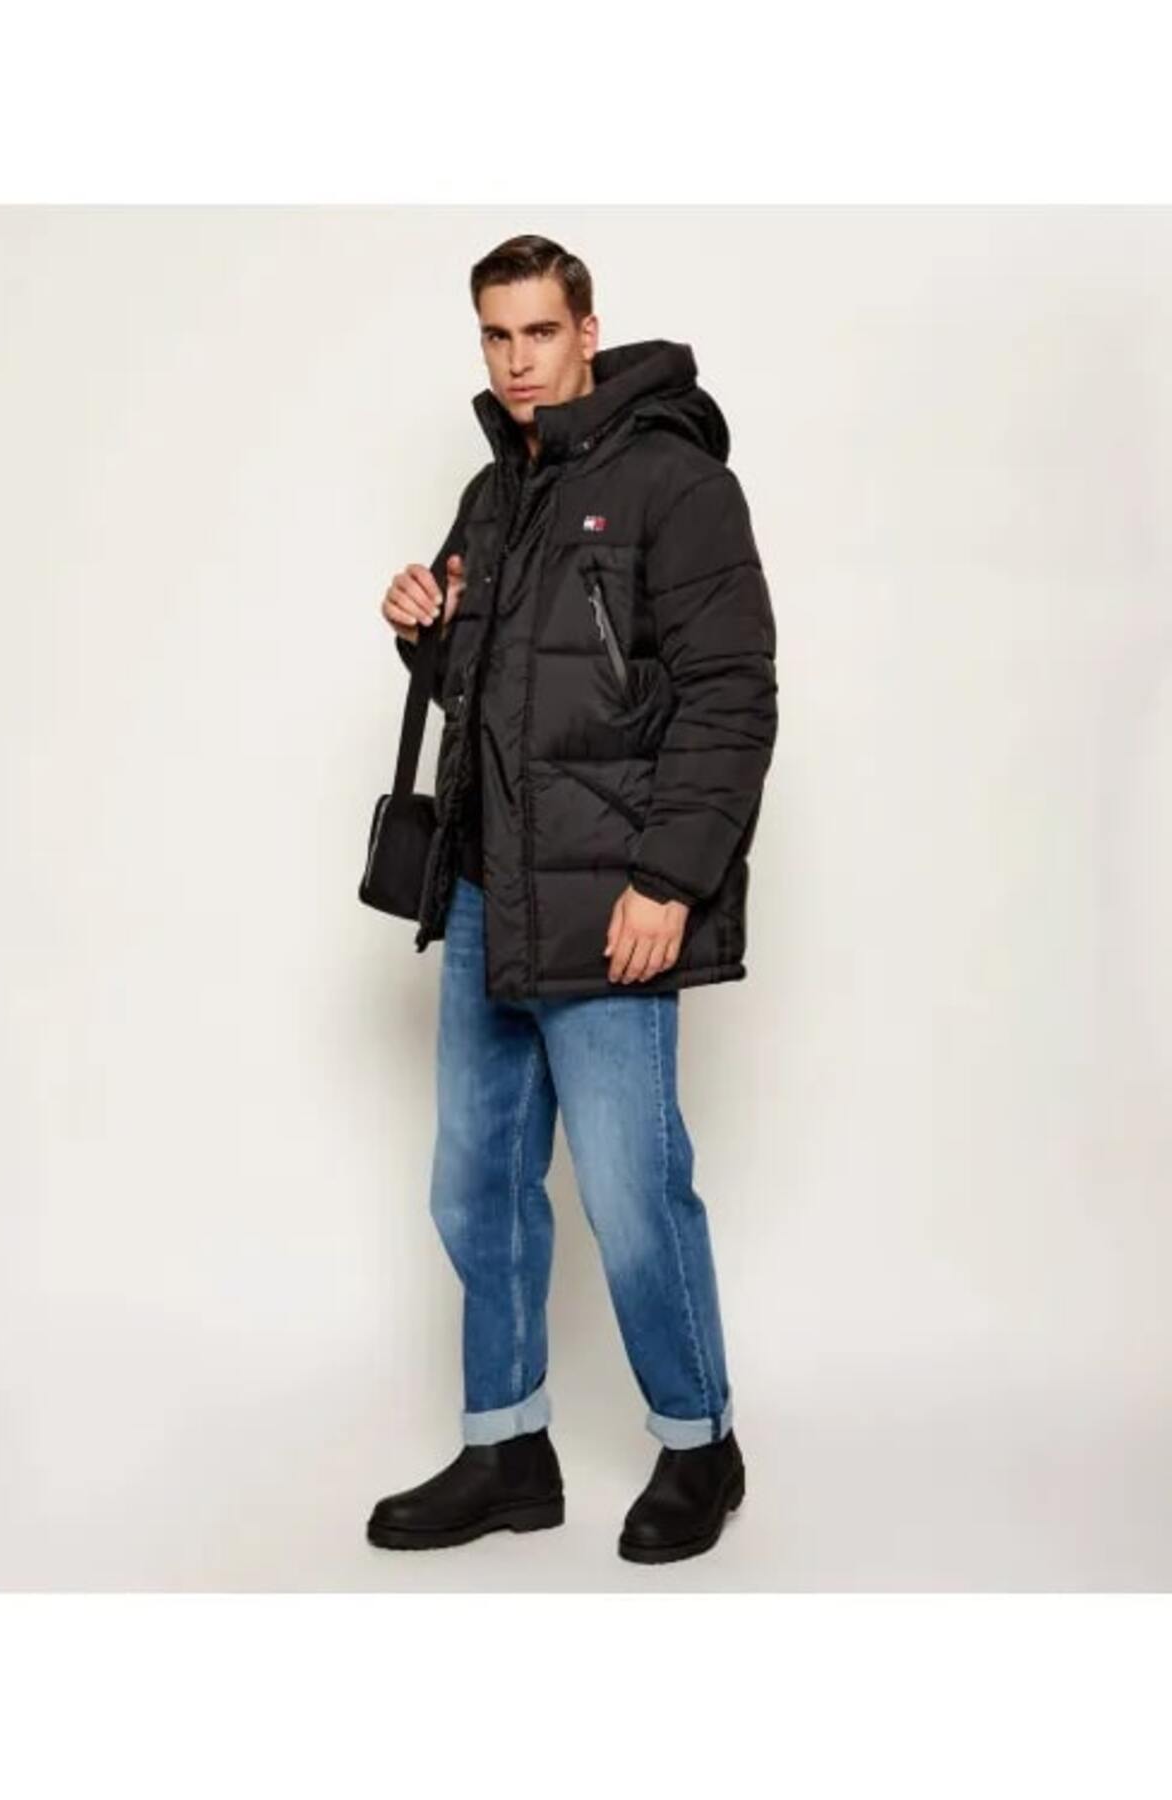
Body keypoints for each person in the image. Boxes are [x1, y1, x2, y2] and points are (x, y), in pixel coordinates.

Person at [366, 234, 778, 1564]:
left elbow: (731, 697)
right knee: (475, 1188)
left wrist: (671, 879)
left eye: (539, 332)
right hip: (487, 891)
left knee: (632, 1197)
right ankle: (508, 1449)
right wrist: (430, 630)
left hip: (611, 906)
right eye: (496, 336)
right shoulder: (496, 494)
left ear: (588, 331)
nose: (517, 361)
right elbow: (499, 694)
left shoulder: (677, 483)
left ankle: (700, 1447)